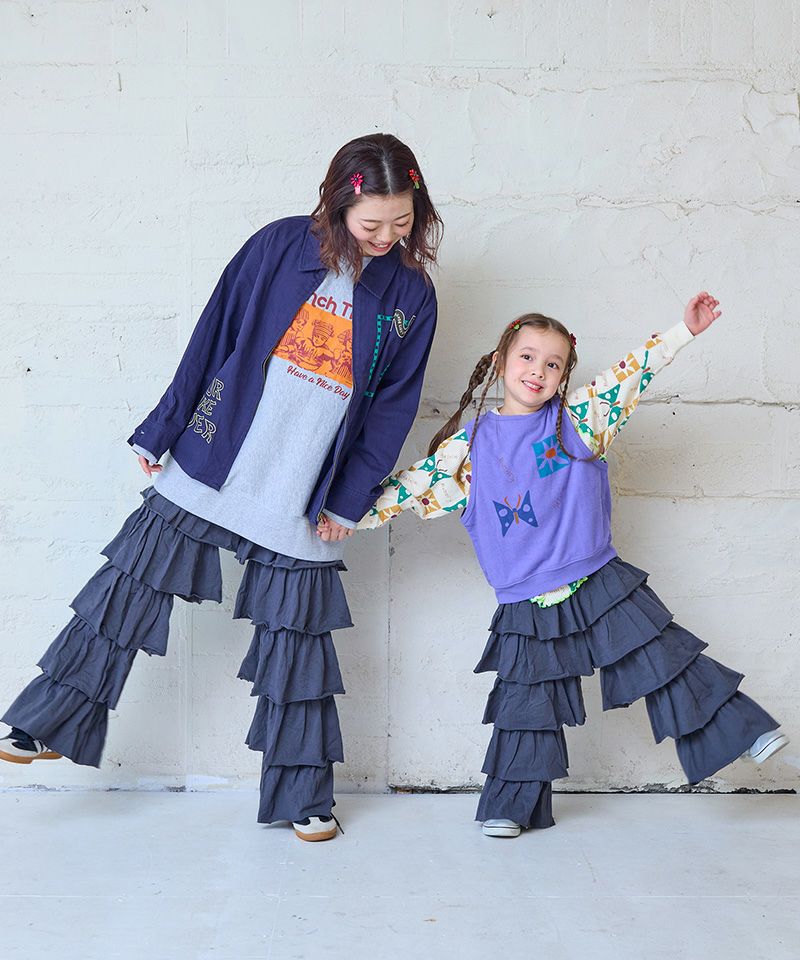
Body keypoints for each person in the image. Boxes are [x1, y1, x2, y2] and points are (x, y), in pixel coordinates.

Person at [1, 133, 443, 843]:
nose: (387, 237)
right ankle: (46, 720)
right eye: (373, 223)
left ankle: (303, 795)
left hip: (309, 486)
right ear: (340, 202)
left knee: (297, 648)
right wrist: (161, 427)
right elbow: (213, 336)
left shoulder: (411, 295)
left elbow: (395, 406)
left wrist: (349, 497)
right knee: (129, 585)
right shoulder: (279, 246)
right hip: (220, 451)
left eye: (402, 222)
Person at [357, 293, 787, 838]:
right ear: (500, 361)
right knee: (525, 706)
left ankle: (744, 729)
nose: (538, 371)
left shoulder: (580, 418)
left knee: (662, 658)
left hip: (598, 579)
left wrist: (684, 330)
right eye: (527, 357)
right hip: (524, 600)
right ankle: (511, 807)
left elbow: (632, 373)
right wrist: (342, 517)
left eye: (553, 364)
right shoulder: (467, 450)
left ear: (563, 377)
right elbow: (405, 490)